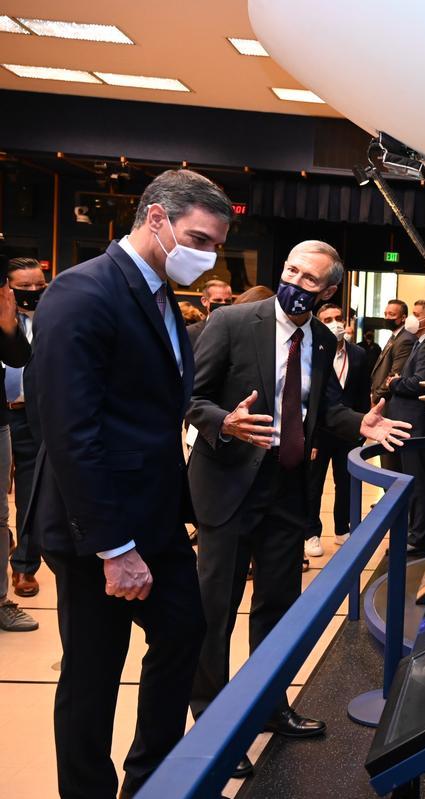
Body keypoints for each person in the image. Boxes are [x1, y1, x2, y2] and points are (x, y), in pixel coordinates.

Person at [31, 169, 227, 798]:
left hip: (156, 522)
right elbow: (70, 433)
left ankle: (151, 780)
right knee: (93, 675)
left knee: (184, 632)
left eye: (217, 244)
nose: (207, 255)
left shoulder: (162, 295)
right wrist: (115, 550)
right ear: (154, 218)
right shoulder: (82, 293)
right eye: (198, 237)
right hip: (98, 530)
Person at [187, 240, 410, 779]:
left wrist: (360, 422)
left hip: (287, 492)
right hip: (228, 487)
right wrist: (224, 422)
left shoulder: (320, 338)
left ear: (329, 290)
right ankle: (216, 725)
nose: (295, 282)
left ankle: (268, 705)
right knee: (215, 612)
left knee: (277, 607)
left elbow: (326, 409)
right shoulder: (233, 323)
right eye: (290, 270)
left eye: (309, 279)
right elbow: (189, 396)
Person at [304, 302, 372, 558]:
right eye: (327, 318)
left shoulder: (358, 354)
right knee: (314, 484)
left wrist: (363, 426)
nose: (335, 323)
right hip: (319, 433)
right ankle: (311, 533)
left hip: (350, 431)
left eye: (338, 317)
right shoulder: (312, 352)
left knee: (346, 482)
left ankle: (342, 528)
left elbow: (363, 392)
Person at [5, 257, 46, 601]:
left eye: (39, 285)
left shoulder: (51, 316)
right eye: (24, 286)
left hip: (33, 416)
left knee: (31, 495)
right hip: (0, 417)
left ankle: (24, 566)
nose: (33, 291)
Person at [388, 299, 425, 552]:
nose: (412, 318)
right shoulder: (420, 342)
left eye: (416, 314)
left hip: (414, 424)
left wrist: (395, 382)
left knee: (417, 482)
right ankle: (413, 532)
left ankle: (417, 537)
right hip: (407, 421)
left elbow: (420, 382)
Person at [0, 260, 34, 631]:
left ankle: (2, 597)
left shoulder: (7, 312)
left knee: (2, 513)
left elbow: (17, 358)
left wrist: (8, 322)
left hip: (9, 421)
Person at [369, 299, 415, 404]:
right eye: (385, 314)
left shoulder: (405, 339)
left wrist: (376, 397)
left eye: (391, 314)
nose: (387, 318)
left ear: (403, 318)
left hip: (387, 400)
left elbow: (394, 375)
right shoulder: (395, 336)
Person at [186, 278, 232, 347]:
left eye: (227, 301)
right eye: (218, 300)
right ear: (204, 301)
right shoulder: (190, 332)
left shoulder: (239, 330)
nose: (223, 303)